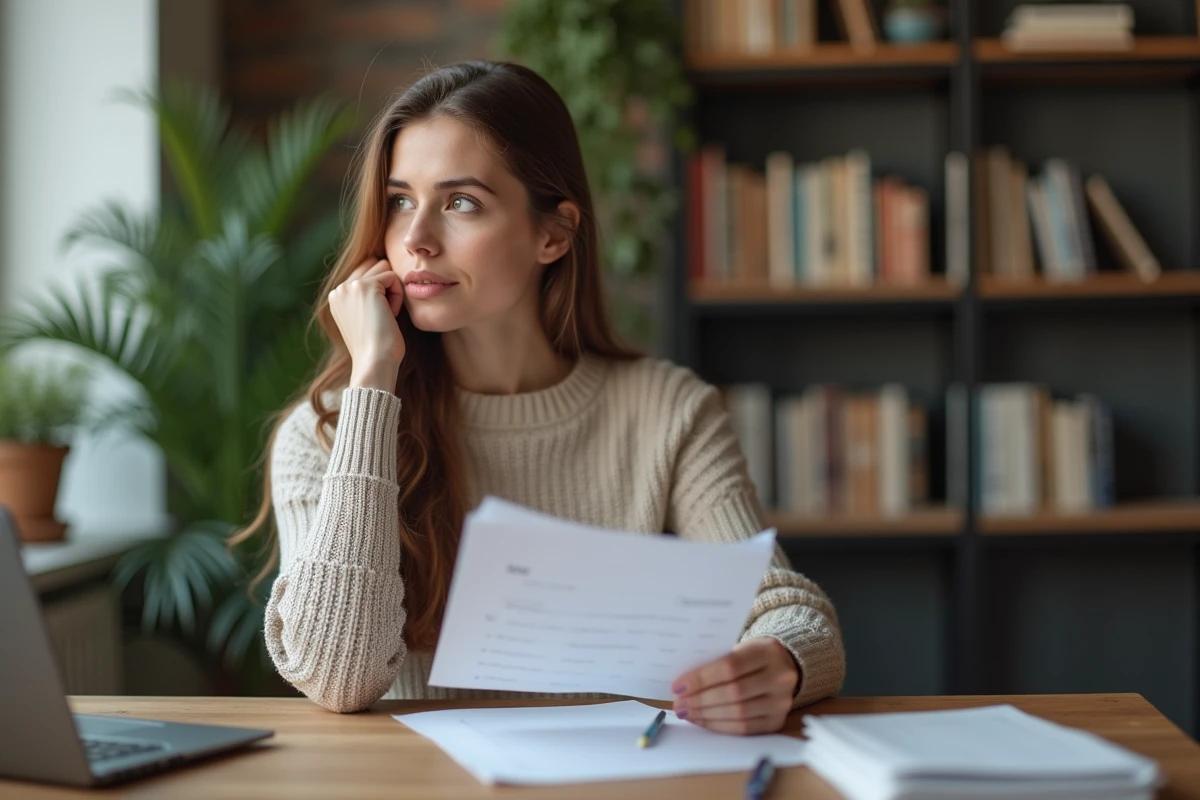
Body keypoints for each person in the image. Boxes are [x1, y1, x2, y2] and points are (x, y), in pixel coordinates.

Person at [234, 60, 844, 735]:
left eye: (460, 203)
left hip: (622, 776)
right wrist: (373, 379)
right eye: (400, 200)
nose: (415, 240)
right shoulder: (325, 432)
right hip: (415, 781)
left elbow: (789, 610)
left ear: (553, 234)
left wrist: (781, 662)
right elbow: (336, 679)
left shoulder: (669, 413)